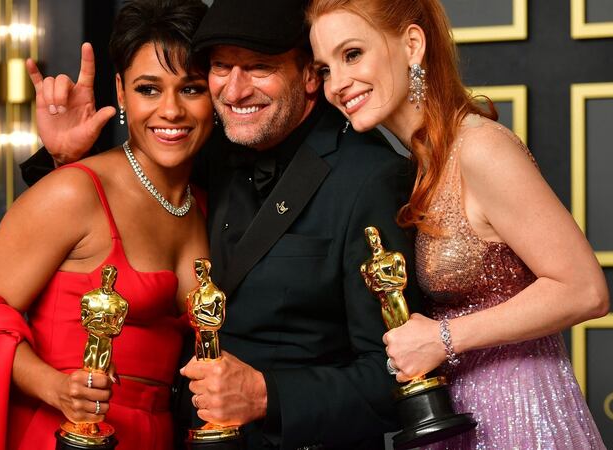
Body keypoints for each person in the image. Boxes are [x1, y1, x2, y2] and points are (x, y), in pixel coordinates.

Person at [28, 1, 421, 447]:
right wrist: (63, 158)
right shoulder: (210, 150)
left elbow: (402, 376)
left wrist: (265, 395)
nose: (235, 91)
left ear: (311, 74)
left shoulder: (371, 177)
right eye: (220, 68)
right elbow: (114, 213)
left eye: (258, 67)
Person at [0, 1, 211, 449]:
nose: (170, 110)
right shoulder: (74, 191)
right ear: (121, 94)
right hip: (58, 433)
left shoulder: (210, 203)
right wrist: (56, 388)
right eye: (149, 89)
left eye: (191, 89)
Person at [307, 0, 610, 448]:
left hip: (520, 414)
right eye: (325, 68)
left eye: (352, 54)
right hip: (459, 415)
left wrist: (443, 337)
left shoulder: (479, 148)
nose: (337, 84)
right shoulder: (418, 165)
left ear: (412, 44)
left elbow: (585, 289)